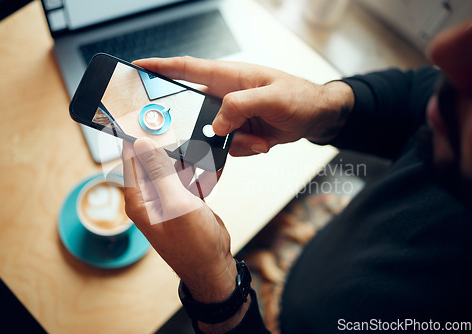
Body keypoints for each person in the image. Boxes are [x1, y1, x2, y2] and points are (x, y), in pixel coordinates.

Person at [121, 18, 472, 333]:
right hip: (315, 269)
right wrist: (324, 105)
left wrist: (214, 284)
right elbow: (418, 94)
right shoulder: (455, 112)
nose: (442, 50)